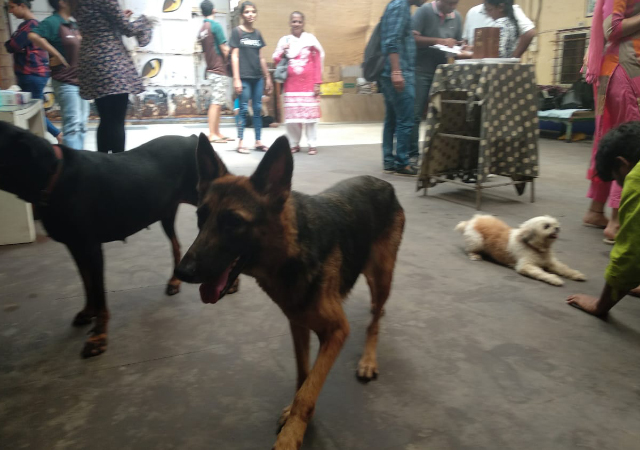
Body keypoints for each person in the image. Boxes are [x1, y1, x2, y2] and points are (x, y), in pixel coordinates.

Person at [581, 0, 640, 244]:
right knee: (631, 145)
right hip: (625, 69)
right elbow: (612, 28)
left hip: (616, 70)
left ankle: (596, 211)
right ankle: (617, 222)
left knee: (608, 139)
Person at [567, 122, 640, 315]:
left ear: (622, 164)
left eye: (616, 178)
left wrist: (600, 305)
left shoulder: (637, 178)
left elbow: (631, 253)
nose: (620, 185)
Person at [69, 0, 154, 153]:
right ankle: (117, 163)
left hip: (90, 60)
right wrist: (145, 19)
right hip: (111, 61)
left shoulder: (77, 3)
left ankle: (102, 162)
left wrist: (118, 18)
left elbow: (99, 22)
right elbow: (128, 29)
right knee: (117, 120)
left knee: (105, 118)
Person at [28, 0, 88, 150]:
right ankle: (71, 162)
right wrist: (56, 54)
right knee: (72, 125)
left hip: (82, 82)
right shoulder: (53, 22)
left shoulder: (73, 24)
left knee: (82, 125)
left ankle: (79, 159)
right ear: (62, 2)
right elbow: (33, 35)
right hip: (65, 81)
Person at [411, 0, 462, 167]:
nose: (453, 7)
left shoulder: (456, 17)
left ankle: (439, 154)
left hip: (442, 72)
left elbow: (458, 42)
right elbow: (413, 38)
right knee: (416, 113)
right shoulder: (424, 11)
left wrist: (460, 45)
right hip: (421, 70)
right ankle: (412, 155)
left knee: (442, 114)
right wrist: (439, 41)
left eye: (455, 3)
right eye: (449, 3)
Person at [379, 0, 426, 177]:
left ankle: (389, 161)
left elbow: (393, 35)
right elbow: (392, 41)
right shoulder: (400, 6)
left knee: (392, 119)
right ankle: (402, 163)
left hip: (392, 72)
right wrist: (397, 71)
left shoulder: (397, 5)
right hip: (400, 71)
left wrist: (408, 34)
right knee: (406, 120)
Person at [5, 0, 62, 144]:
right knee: (35, 109)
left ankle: (58, 135)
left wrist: (14, 44)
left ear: (22, 6)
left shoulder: (30, 26)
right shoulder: (33, 25)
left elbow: (12, 45)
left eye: (12, 7)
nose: (10, 11)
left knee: (34, 110)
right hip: (36, 74)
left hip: (31, 74)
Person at [273, 11, 324, 155]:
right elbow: (276, 59)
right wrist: (284, 51)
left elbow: (317, 61)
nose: (296, 24)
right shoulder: (284, 40)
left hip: (308, 84)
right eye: (294, 21)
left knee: (310, 118)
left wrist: (317, 82)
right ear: (290, 23)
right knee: (293, 118)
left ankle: (312, 144)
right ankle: (294, 144)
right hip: (291, 85)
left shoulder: (310, 40)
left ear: (303, 23)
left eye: (299, 21)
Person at [229, 1, 273, 154]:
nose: (250, 14)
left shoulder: (257, 34)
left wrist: (267, 77)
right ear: (242, 15)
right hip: (244, 77)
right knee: (242, 109)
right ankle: (240, 142)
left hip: (257, 78)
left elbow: (261, 57)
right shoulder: (237, 32)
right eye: (247, 12)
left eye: (253, 12)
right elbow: (234, 56)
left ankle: (258, 141)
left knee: (257, 109)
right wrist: (236, 79)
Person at [198, 0, 233, 144]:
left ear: (202, 13)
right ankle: (212, 134)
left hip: (211, 68)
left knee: (218, 101)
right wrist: (234, 59)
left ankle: (217, 132)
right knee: (216, 103)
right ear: (214, 10)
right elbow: (224, 49)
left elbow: (205, 51)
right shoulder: (215, 26)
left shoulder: (202, 29)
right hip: (219, 68)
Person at [462, 1, 536, 57]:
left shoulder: (501, 24)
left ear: (501, 7)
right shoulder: (511, 21)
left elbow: (497, 54)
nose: (488, 14)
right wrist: (474, 48)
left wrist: (469, 55)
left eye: (489, 10)